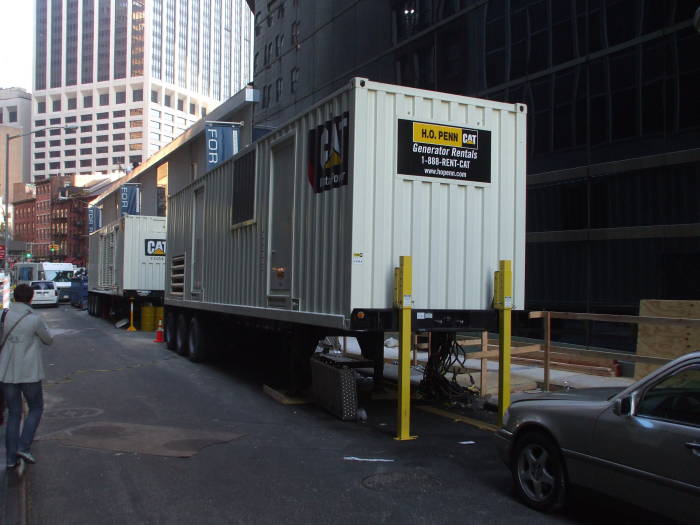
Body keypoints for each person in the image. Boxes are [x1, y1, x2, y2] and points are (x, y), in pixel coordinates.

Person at [0, 284, 53, 469]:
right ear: (31, 298)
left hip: (7, 372)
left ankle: (10, 459)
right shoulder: (34, 320)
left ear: (14, 297)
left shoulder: (4, 316)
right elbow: (49, 340)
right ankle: (24, 446)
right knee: (36, 408)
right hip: (29, 373)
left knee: (13, 414)